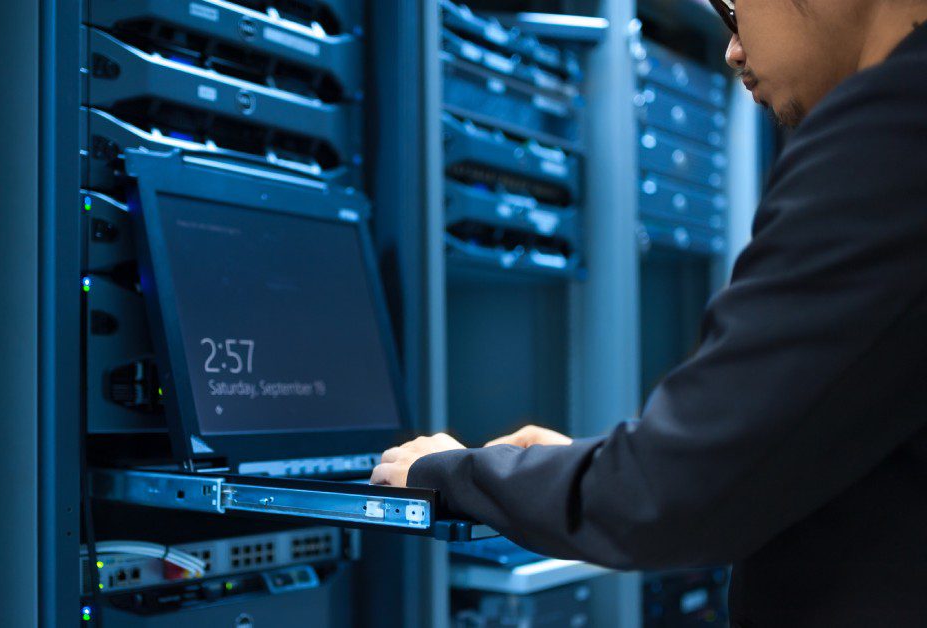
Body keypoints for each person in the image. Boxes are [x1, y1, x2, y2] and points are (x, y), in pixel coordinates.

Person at [371, 1, 927, 625]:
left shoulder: (892, 133)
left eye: (733, 10)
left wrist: (453, 473)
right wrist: (586, 471)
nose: (732, 51)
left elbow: (676, 494)